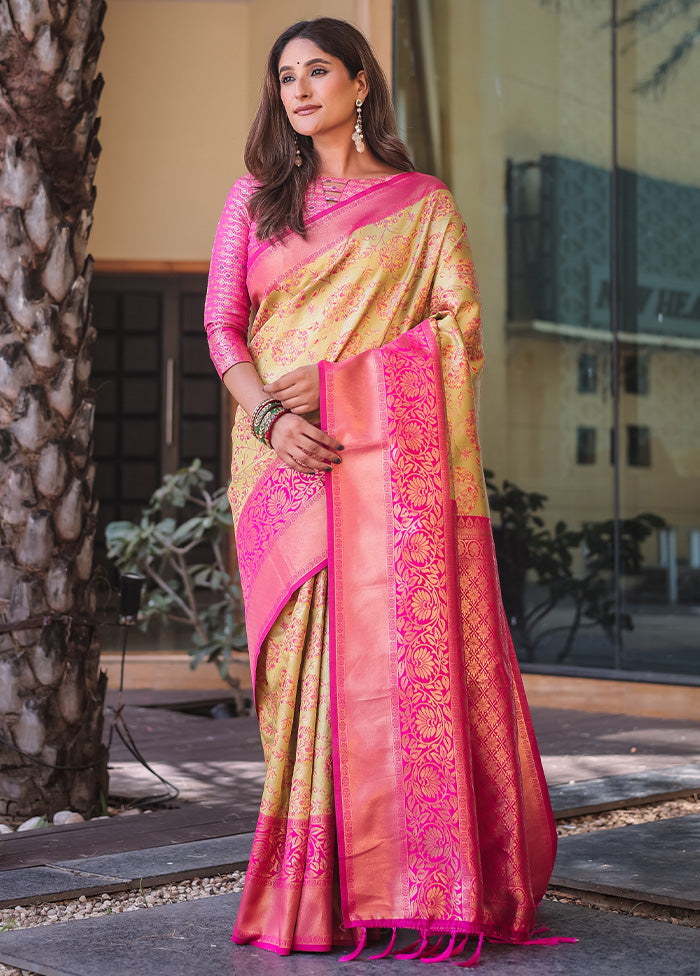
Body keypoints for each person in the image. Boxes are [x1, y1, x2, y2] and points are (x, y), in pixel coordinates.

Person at [204, 16, 571, 964]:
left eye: (317, 70)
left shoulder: (424, 204)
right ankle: (305, 888)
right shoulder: (254, 200)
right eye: (285, 75)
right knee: (300, 682)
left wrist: (339, 385)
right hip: (281, 466)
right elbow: (224, 330)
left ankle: (405, 885)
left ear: (360, 82)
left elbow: (459, 335)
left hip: (382, 468)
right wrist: (273, 422)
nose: (298, 89)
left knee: (389, 669)